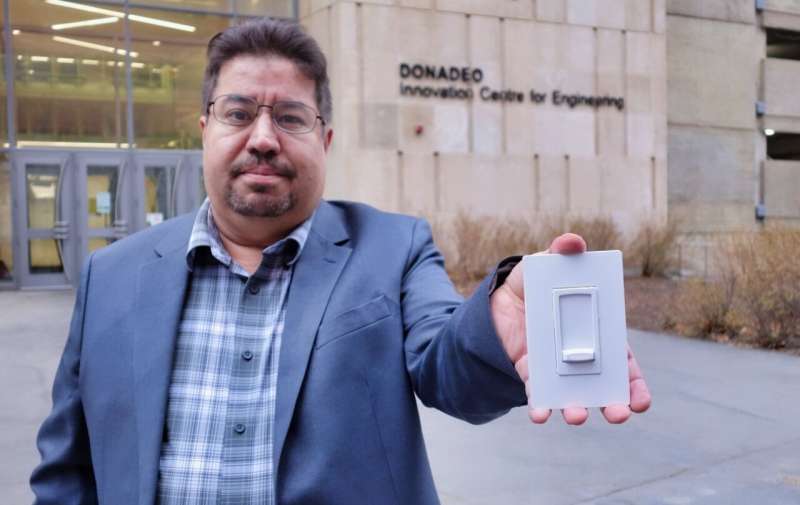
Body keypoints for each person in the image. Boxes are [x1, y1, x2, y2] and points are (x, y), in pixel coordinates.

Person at [30, 17, 650, 505]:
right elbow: (67, 474)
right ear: (204, 130)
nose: (263, 138)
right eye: (238, 113)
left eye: (290, 117)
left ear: (324, 141)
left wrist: (495, 324)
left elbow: (447, 368)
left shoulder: (393, 248)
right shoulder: (113, 277)